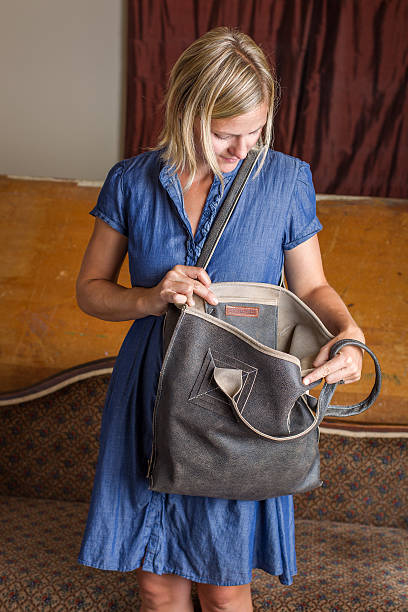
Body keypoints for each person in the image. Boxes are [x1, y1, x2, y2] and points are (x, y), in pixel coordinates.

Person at [77, 27, 364, 612]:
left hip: (238, 397)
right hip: (151, 390)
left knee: (226, 584)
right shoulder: (130, 181)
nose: (242, 149)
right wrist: (151, 298)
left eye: (255, 131)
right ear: (187, 112)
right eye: (225, 133)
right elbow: (90, 292)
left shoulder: (285, 179)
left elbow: (312, 285)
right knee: (156, 583)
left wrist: (350, 335)